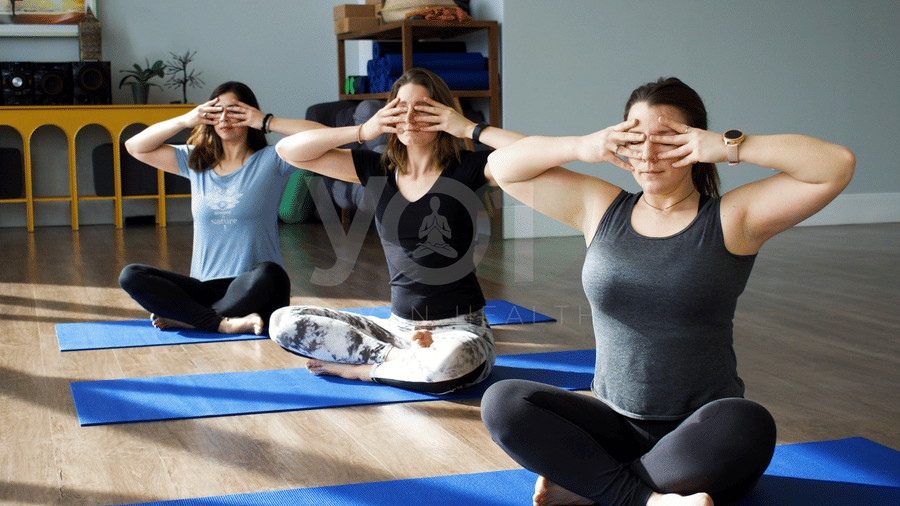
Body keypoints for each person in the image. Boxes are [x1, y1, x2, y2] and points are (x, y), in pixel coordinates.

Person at [480, 77, 855, 506]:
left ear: (696, 144)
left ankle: (592, 488)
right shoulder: (599, 206)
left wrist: (728, 147)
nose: (649, 154)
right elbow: (503, 167)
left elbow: (836, 164)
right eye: (636, 138)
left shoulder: (734, 219)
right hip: (613, 426)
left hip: (700, 432)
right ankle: (648, 499)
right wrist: (585, 146)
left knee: (749, 423)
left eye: (668, 140)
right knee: (503, 402)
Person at [269, 68, 525, 394]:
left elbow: (532, 153)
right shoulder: (378, 169)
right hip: (396, 330)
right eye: (401, 107)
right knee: (283, 323)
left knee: (451, 362)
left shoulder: (468, 167)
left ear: (442, 112)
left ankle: (365, 370)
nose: (410, 116)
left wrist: (469, 128)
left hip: (461, 332)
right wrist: (363, 129)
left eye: (422, 107)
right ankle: (396, 358)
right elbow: (287, 150)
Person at [119, 81, 306, 335]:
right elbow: (134, 146)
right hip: (203, 288)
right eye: (217, 112)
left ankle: (191, 318)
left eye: (234, 111)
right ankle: (220, 322)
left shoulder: (274, 159)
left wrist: (266, 121)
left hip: (254, 287)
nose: (225, 118)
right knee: (131, 275)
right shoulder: (195, 160)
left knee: (272, 274)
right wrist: (185, 120)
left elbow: (322, 136)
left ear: (250, 114)